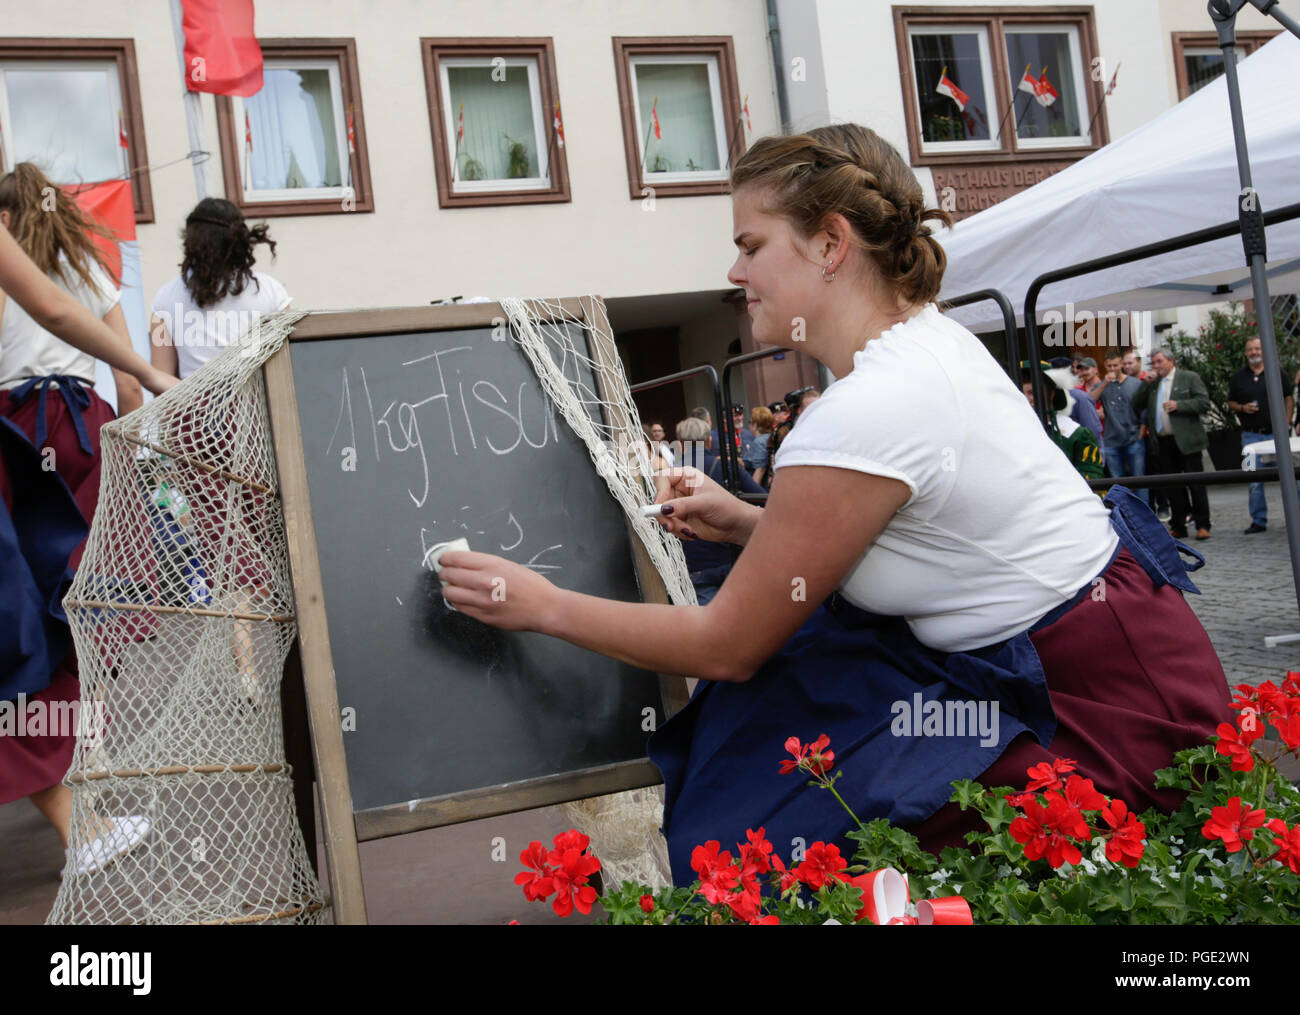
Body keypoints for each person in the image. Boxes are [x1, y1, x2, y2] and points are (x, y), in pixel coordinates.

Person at [437, 124, 1230, 887]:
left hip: (1093, 706)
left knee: (777, 808)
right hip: (1102, 661)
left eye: (751, 245)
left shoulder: (871, 406)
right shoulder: (924, 341)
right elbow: (924, 536)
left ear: (829, 243)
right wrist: (750, 523)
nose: (736, 272)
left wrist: (542, 604)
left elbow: (726, 645)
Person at [0, 198, 174, 871]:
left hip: (22, 424)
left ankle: (80, 805)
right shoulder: (85, 267)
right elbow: (63, 316)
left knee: (32, 624)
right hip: (73, 425)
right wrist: (149, 381)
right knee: (65, 610)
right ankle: (82, 798)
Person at [150, 198, 290, 380]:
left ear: (190, 240)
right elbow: (288, 368)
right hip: (256, 405)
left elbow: (161, 381)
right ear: (241, 241)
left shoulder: (165, 298)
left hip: (196, 406)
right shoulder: (272, 292)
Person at [673, 417, 766, 604]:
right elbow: (762, 497)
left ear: (681, 444)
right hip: (731, 555)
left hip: (694, 562)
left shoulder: (671, 473)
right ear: (709, 441)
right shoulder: (726, 466)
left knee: (709, 626)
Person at [1134, 348, 1212, 540]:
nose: (1156, 366)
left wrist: (1180, 405)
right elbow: (1136, 403)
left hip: (1187, 440)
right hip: (1163, 442)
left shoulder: (1188, 377)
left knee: (1196, 484)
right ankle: (1178, 526)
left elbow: (1203, 403)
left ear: (1171, 361)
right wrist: (1145, 384)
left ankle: (1203, 524)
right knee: (1173, 486)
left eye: (1159, 362)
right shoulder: (1153, 384)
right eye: (1154, 363)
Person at [1228, 335, 1297, 533]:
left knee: (1289, 478)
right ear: (1246, 353)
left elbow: (1288, 399)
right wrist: (1242, 407)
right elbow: (1231, 402)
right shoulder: (1238, 377)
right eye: (1250, 349)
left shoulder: (1277, 372)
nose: (1254, 353)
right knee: (1253, 479)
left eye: (1257, 349)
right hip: (1250, 438)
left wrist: (1286, 423)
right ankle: (1258, 520)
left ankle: (1296, 516)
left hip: (1277, 437)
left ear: (1263, 350)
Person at [1091, 352, 1145, 479]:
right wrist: (1105, 383)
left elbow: (1145, 408)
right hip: (1111, 441)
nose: (1112, 369)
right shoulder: (1101, 385)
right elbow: (1090, 400)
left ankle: (1141, 500)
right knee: (1118, 482)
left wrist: (1141, 432)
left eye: (1115, 365)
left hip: (1134, 438)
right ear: (1105, 366)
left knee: (1140, 479)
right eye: (1109, 366)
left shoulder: (1135, 383)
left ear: (1121, 364)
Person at [765, 386, 820, 486]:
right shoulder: (786, 431)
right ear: (799, 410)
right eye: (811, 407)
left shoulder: (824, 426)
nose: (817, 410)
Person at [744, 405, 775, 487]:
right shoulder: (771, 437)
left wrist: (753, 491)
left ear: (755, 425)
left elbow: (760, 469)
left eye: (750, 422)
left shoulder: (759, 442)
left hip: (762, 487)